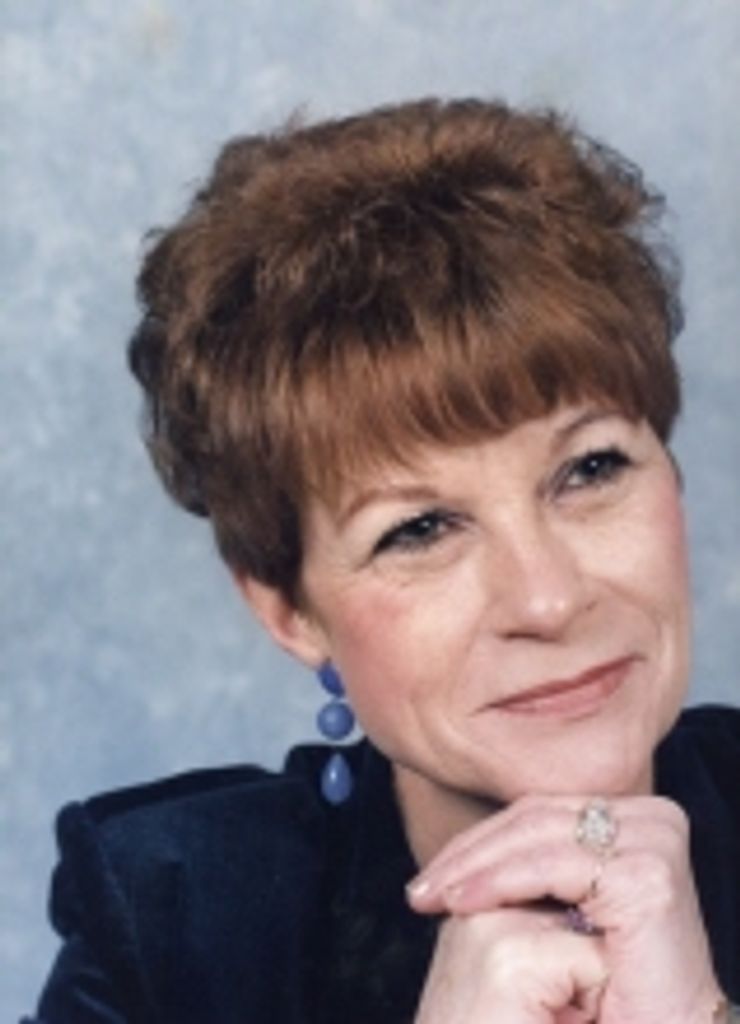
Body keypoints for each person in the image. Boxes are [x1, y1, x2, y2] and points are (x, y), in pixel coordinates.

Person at [26, 97, 740, 1023]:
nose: (550, 599)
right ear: (290, 611)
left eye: (591, 469)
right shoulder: (174, 926)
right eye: (420, 530)